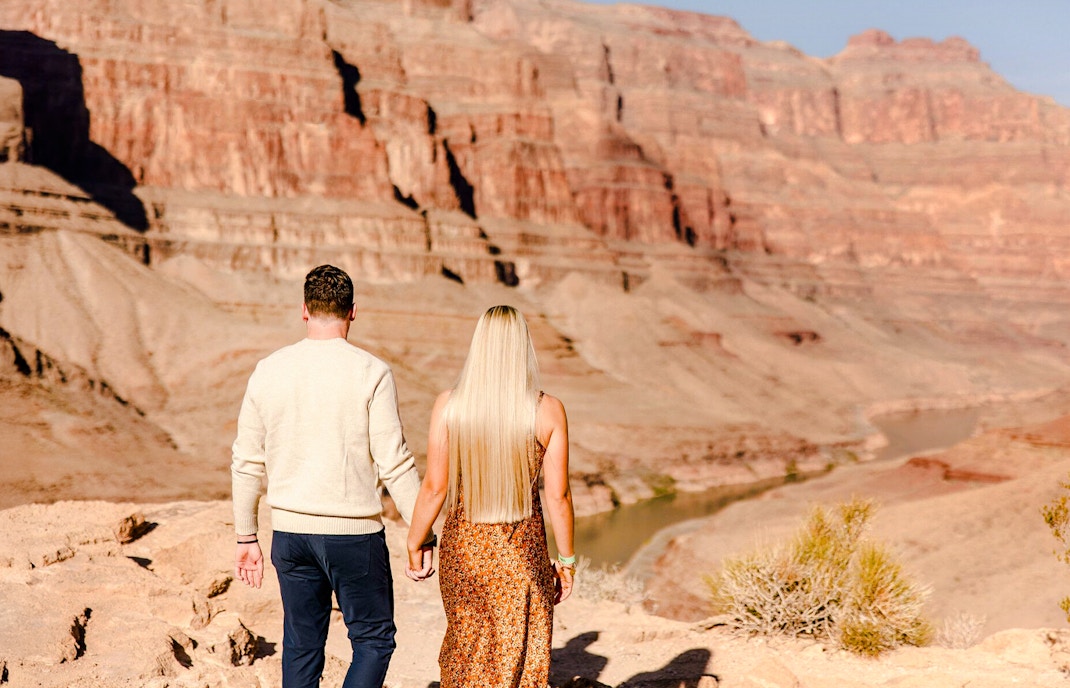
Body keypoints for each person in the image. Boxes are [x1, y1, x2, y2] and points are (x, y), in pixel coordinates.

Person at [230, 264, 433, 688]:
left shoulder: (269, 369)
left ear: (304, 310)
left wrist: (246, 536)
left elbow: (246, 460)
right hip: (354, 535)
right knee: (373, 641)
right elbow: (394, 461)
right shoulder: (371, 371)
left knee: (302, 645)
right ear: (353, 312)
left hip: (289, 535)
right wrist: (422, 534)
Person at [405, 304, 576, 688]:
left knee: (467, 653)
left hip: (464, 554)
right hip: (522, 557)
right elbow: (559, 496)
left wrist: (415, 542)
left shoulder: (450, 405)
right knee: (521, 662)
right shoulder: (548, 410)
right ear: (523, 347)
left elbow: (435, 486)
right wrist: (566, 561)